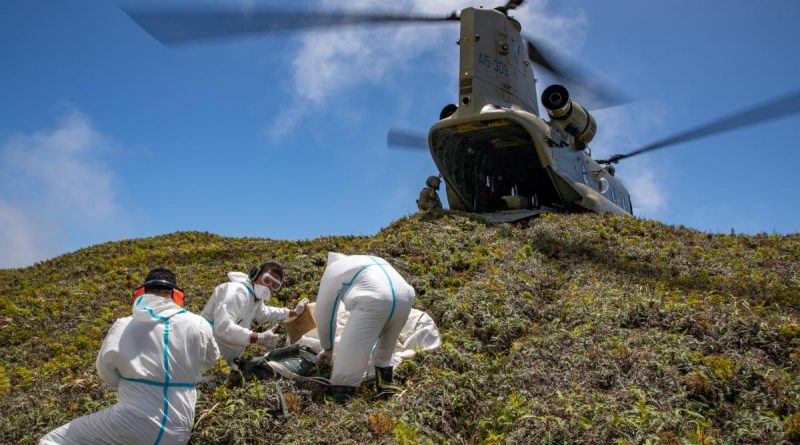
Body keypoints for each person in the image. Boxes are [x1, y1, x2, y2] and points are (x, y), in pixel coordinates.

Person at [40, 268, 219, 445]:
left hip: (130, 421)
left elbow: (104, 370)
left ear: (142, 293)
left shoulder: (124, 325)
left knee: (53, 440)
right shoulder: (200, 324)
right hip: (180, 428)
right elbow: (212, 359)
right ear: (176, 295)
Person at [314, 253, 416, 403]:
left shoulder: (332, 271)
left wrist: (327, 349)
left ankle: (339, 405)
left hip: (373, 299)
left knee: (346, 369)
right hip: (406, 298)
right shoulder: (363, 261)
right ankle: (385, 393)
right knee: (385, 352)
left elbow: (324, 316)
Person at [201, 261, 308, 364]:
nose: (269, 287)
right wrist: (259, 337)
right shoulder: (236, 292)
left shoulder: (254, 299)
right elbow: (223, 328)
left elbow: (266, 313)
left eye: (275, 285)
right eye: (266, 280)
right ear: (256, 275)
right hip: (205, 356)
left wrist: (293, 312)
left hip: (222, 360)